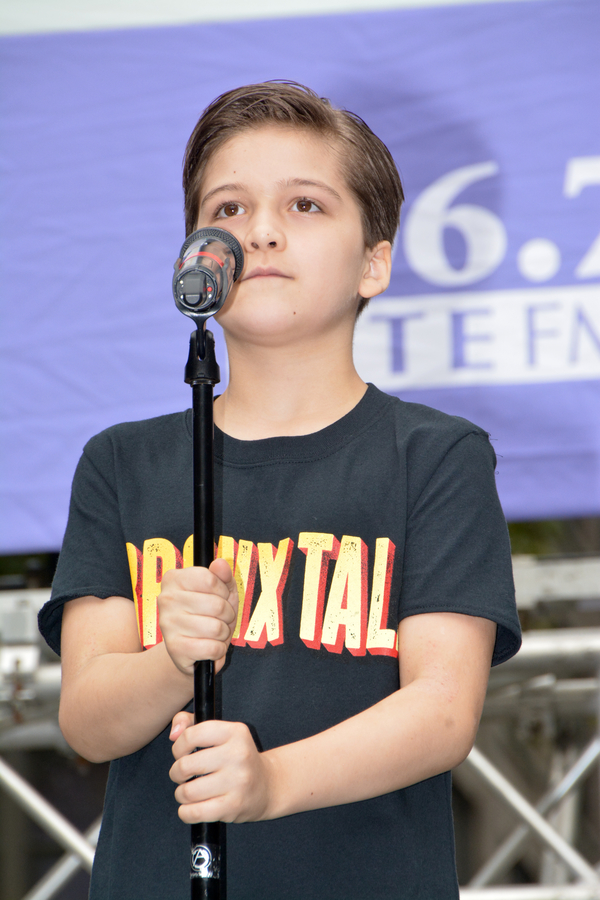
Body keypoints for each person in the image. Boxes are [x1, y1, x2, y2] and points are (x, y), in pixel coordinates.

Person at [39, 82, 521, 899]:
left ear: (375, 262)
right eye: (227, 209)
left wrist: (270, 784)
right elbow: (88, 718)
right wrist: (168, 661)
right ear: (197, 255)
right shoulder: (124, 462)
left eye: (304, 205)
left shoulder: (435, 457)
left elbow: (442, 711)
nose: (258, 231)